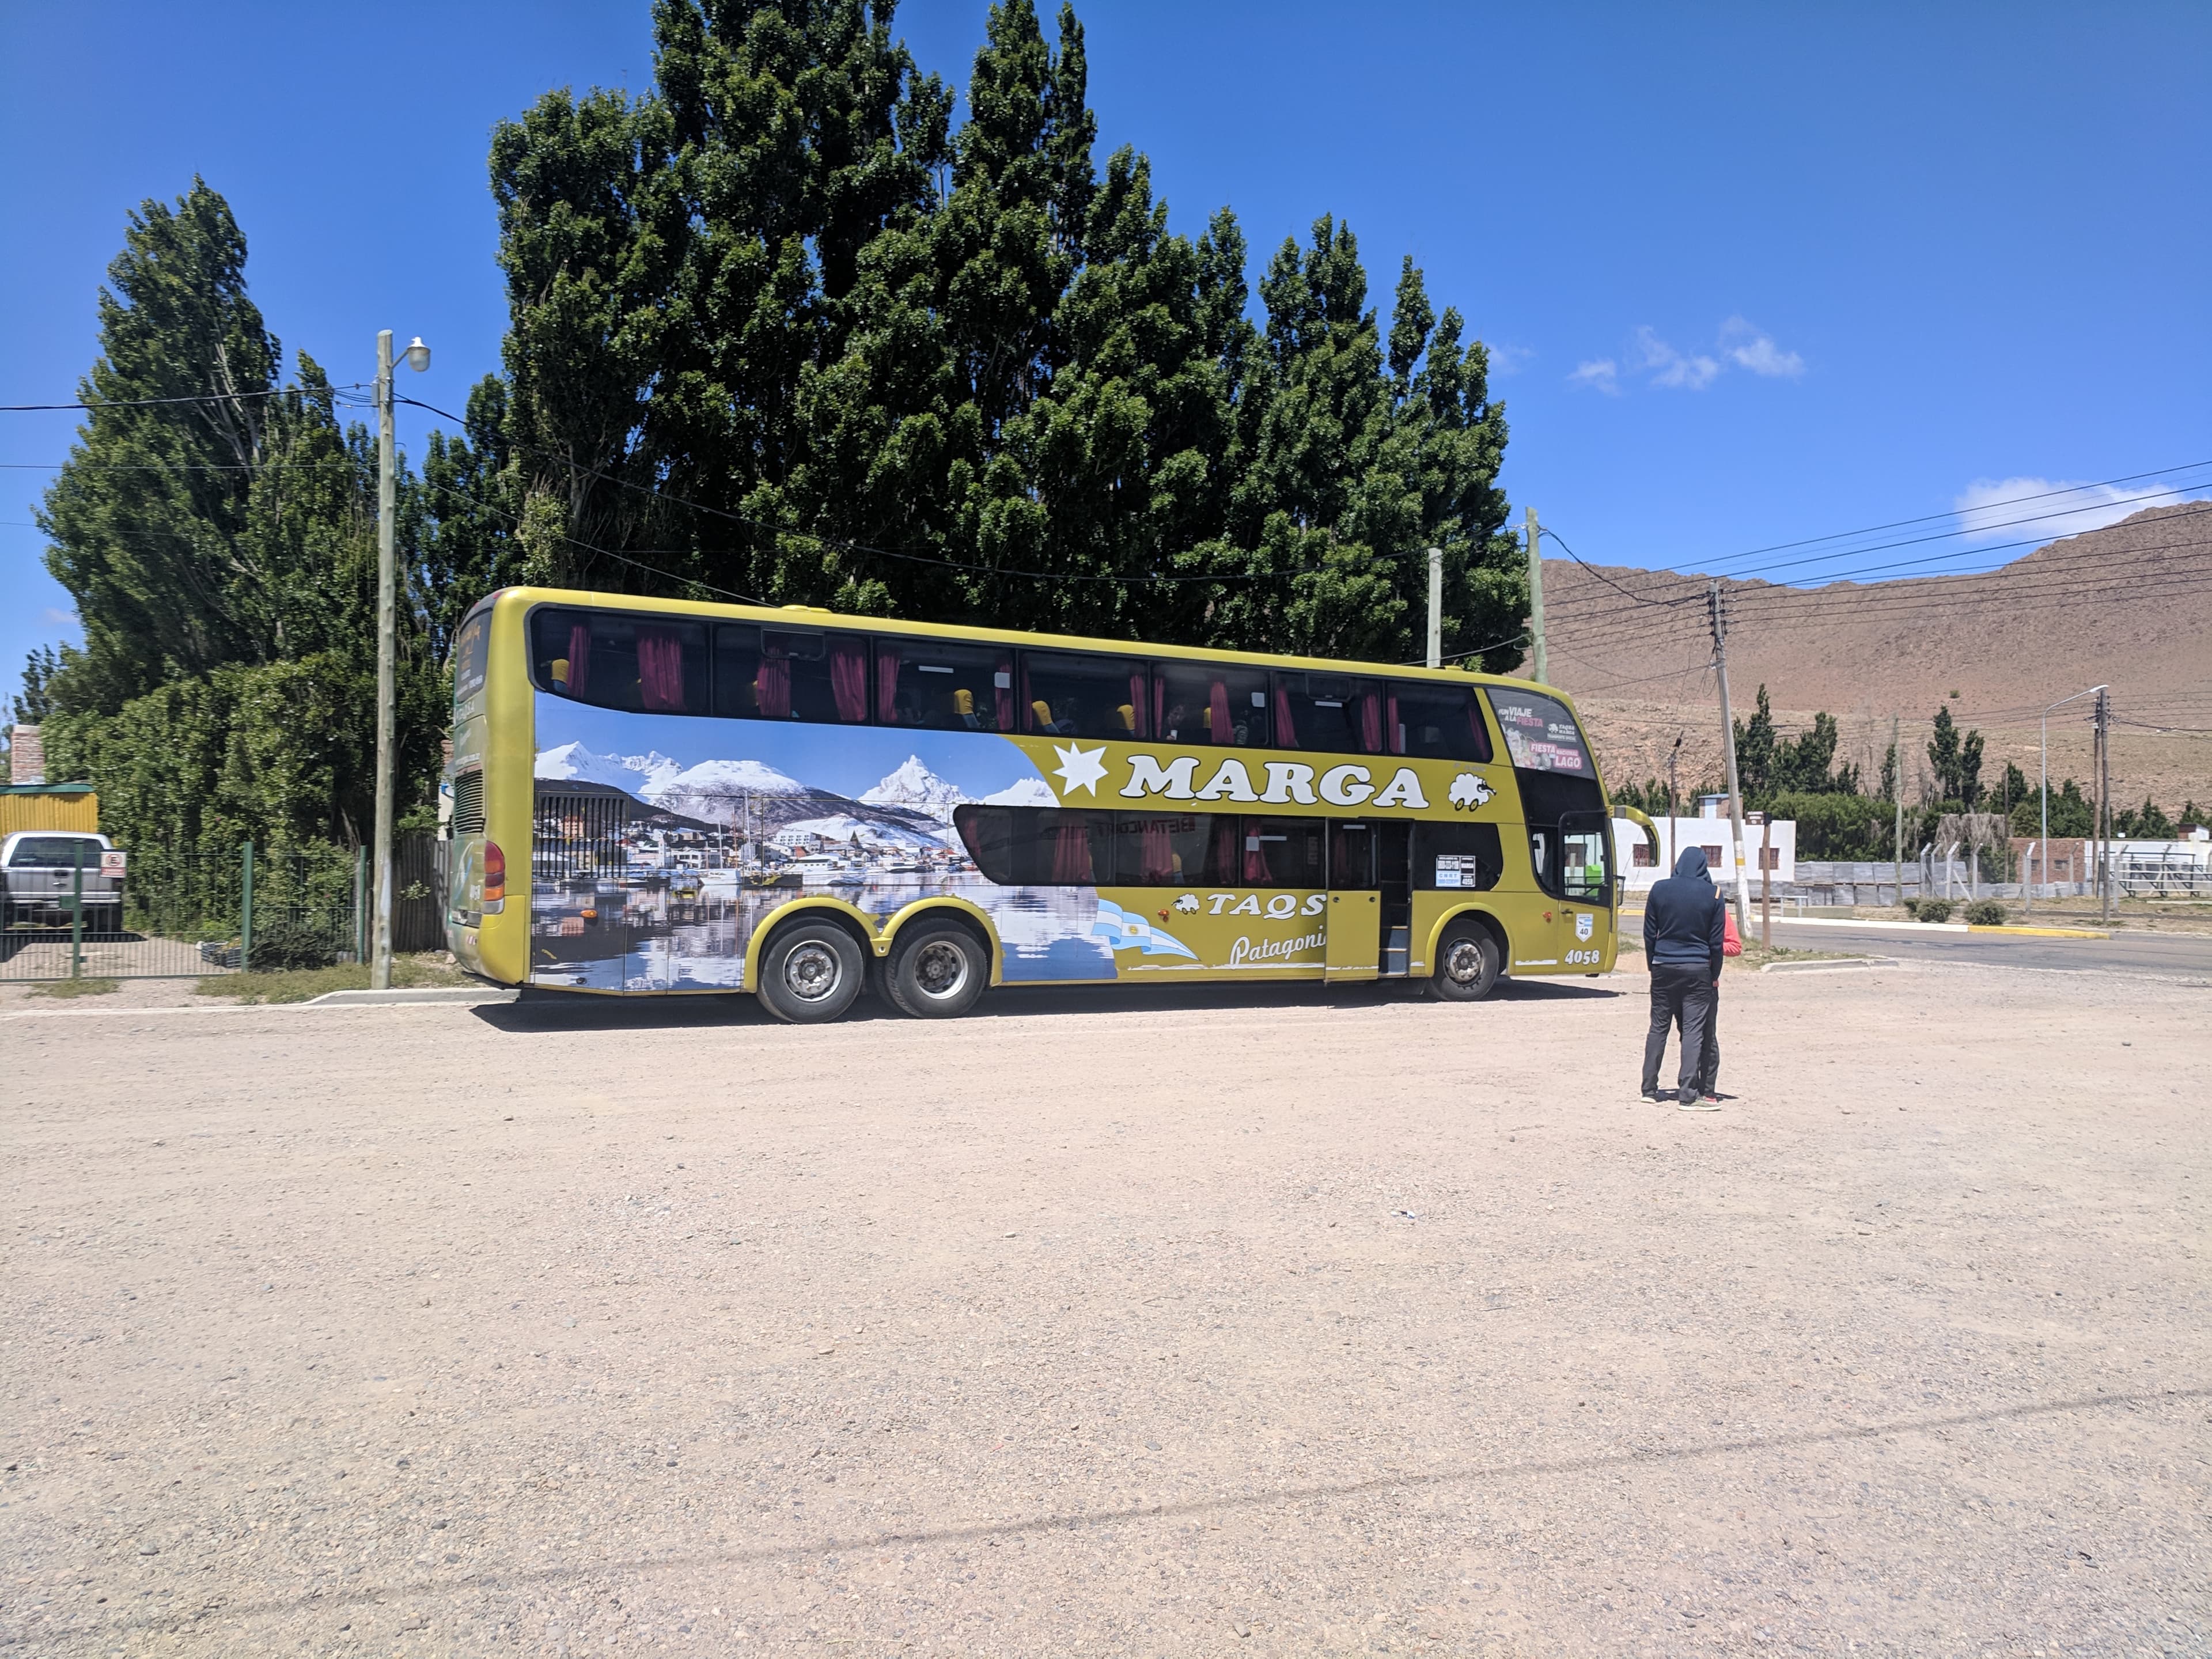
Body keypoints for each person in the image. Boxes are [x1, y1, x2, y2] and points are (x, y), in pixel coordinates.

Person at [1640, 846, 1726, 1109]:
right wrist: (1714, 974)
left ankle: (1649, 1089)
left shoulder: (1659, 889)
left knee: (1658, 1027)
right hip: (1697, 969)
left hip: (1664, 966)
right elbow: (1716, 943)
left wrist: (1653, 965)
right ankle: (1688, 1094)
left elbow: (1648, 933)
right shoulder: (1713, 894)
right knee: (1693, 1031)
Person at [1695, 907, 1742, 1102]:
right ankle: (1688, 1085)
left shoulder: (1718, 911)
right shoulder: (1675, 905)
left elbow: (1735, 947)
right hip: (1677, 980)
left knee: (1708, 1037)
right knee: (1688, 1036)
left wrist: (1713, 946)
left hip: (1707, 982)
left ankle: (1707, 1089)